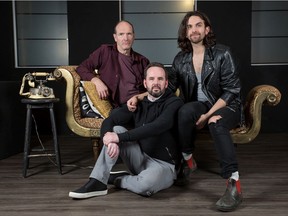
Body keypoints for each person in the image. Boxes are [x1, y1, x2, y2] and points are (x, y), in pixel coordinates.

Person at [69, 62, 184, 199]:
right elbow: (110, 120)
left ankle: (118, 179)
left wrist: (119, 138)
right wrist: (108, 139)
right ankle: (98, 182)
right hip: (140, 158)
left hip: (163, 165)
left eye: (160, 79)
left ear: (166, 83)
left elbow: (158, 126)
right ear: (145, 83)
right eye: (152, 79)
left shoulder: (174, 103)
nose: (156, 83)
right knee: (115, 130)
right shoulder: (138, 103)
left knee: (146, 186)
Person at [168, 11, 243, 211]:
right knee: (183, 111)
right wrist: (142, 95)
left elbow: (232, 90)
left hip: (227, 105)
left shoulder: (222, 53)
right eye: (189, 26)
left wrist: (208, 116)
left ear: (206, 29)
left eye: (198, 25)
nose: (194, 30)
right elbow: (169, 87)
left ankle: (233, 183)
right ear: (185, 32)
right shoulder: (180, 59)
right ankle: (188, 160)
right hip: (199, 104)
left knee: (216, 123)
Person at [76, 20, 150, 108]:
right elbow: (81, 68)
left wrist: (137, 98)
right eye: (121, 34)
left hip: (140, 105)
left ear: (134, 36)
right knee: (116, 118)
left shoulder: (143, 61)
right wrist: (96, 81)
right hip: (119, 107)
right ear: (115, 37)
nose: (125, 38)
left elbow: (151, 89)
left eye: (129, 34)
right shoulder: (105, 52)